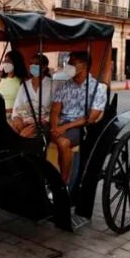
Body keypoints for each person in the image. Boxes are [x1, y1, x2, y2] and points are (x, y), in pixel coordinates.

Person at [50, 51, 107, 185]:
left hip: (81, 126)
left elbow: (91, 117)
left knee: (63, 143)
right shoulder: (64, 86)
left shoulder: (97, 88)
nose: (68, 66)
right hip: (61, 123)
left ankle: (64, 181)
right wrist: (54, 128)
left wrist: (64, 128)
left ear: (83, 66)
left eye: (72, 63)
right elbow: (55, 110)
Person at [11, 53, 52, 138]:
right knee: (11, 132)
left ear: (44, 67)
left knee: (25, 135)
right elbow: (16, 106)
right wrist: (16, 119)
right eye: (31, 63)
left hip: (42, 123)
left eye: (36, 64)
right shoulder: (24, 85)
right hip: (24, 119)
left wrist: (42, 121)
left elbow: (56, 110)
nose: (32, 66)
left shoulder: (53, 85)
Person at [0, 50, 29, 117]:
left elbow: (25, 104)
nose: (5, 63)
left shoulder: (23, 81)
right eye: (5, 61)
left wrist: (8, 111)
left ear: (16, 62)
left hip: (16, 116)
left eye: (8, 61)